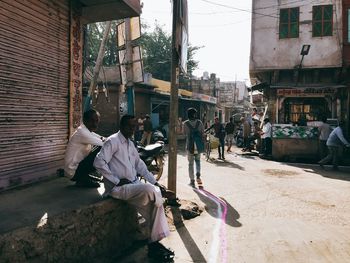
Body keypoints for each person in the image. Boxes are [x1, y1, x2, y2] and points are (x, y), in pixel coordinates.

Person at [93, 115, 174, 260]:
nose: (132, 129)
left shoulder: (130, 144)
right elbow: (98, 162)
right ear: (122, 126)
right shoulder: (113, 141)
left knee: (155, 208)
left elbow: (140, 166)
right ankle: (155, 245)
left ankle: (153, 246)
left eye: (134, 126)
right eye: (130, 126)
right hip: (118, 189)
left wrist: (156, 183)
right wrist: (116, 180)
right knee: (151, 191)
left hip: (134, 187)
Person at [64, 109, 104, 188]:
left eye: (97, 121)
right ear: (85, 120)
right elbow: (105, 143)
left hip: (75, 168)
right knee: (103, 149)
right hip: (73, 171)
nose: (95, 124)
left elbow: (103, 138)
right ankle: (82, 178)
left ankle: (84, 178)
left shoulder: (87, 131)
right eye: (92, 121)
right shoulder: (82, 132)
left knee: (100, 148)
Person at [183, 108, 205, 187]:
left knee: (190, 164)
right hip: (198, 146)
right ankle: (198, 173)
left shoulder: (185, 123)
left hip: (190, 146)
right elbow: (203, 134)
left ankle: (192, 181)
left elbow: (183, 134)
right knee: (198, 161)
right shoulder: (200, 122)